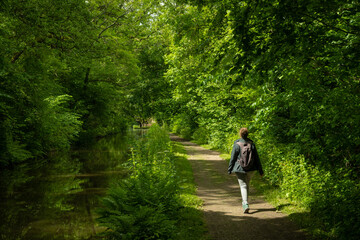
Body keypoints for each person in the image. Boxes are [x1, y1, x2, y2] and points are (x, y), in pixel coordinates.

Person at [228, 127, 264, 213]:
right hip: (251, 169)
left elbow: (233, 158)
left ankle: (245, 203)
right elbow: (256, 158)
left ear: (240, 134)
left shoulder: (237, 144)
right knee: (246, 184)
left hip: (239, 168)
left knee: (243, 185)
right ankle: (246, 202)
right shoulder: (252, 144)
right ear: (247, 134)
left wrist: (230, 169)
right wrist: (260, 170)